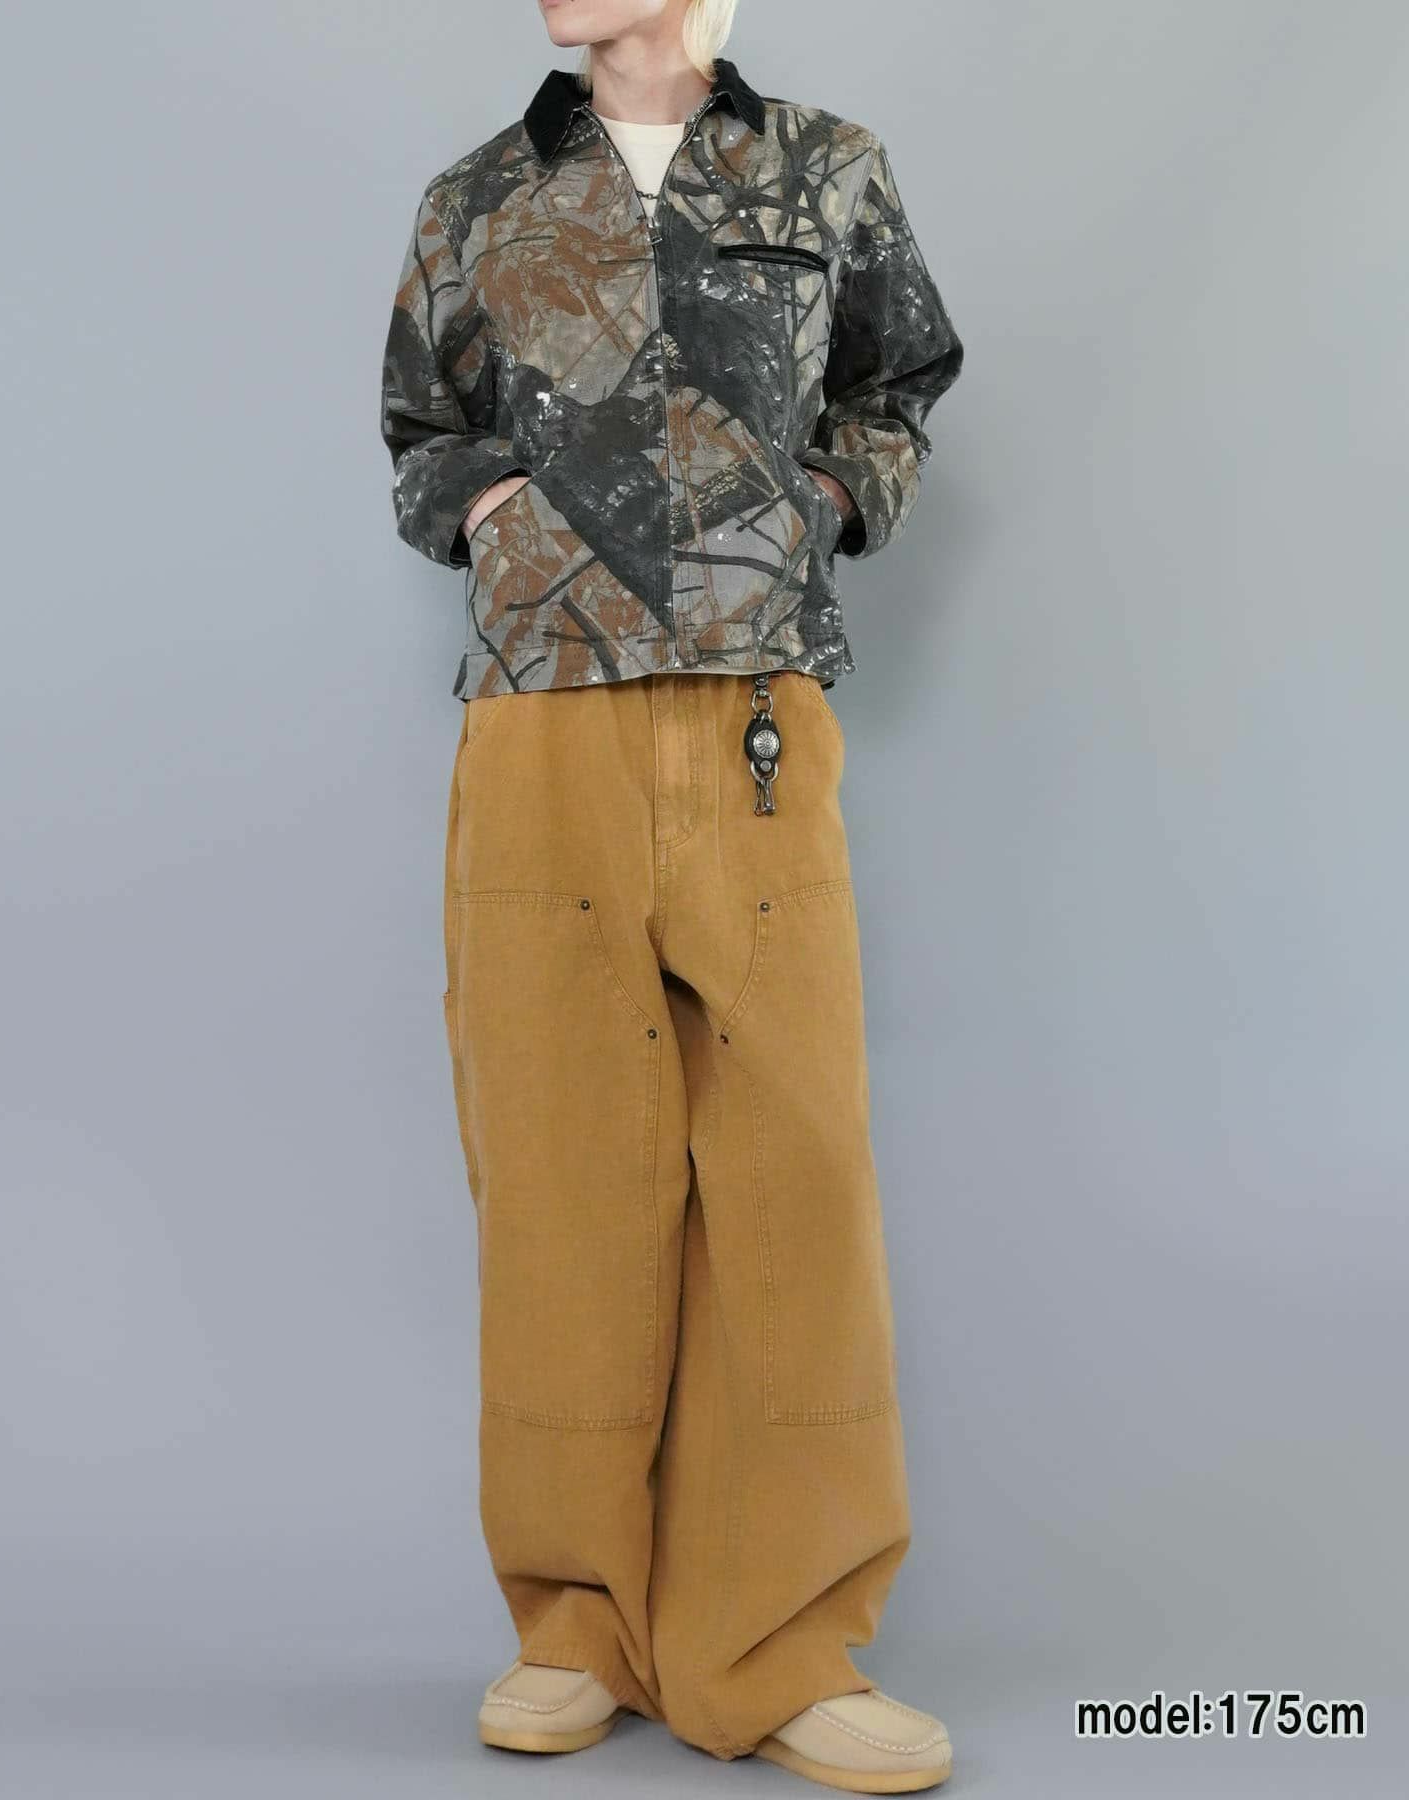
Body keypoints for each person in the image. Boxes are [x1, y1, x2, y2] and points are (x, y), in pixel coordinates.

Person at [380, 0, 963, 1788]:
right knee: (562, 1170)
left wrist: (819, 502)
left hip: (753, 720)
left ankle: (781, 1643)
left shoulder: (826, 168)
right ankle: (573, 1626)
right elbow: (421, 430)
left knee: (792, 1174)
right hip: (541, 722)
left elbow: (899, 382)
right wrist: (495, 513)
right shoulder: (479, 192)